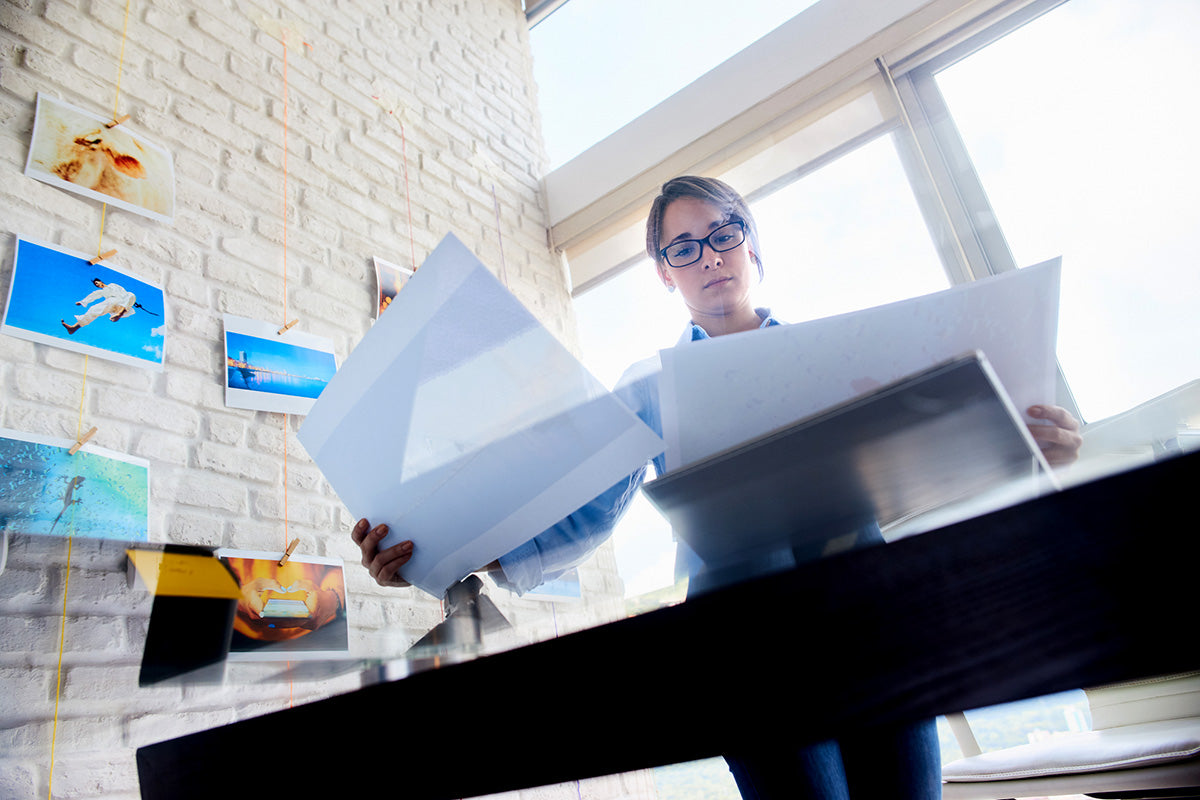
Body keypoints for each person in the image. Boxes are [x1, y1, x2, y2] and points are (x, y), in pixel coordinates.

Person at [351, 176, 1083, 798]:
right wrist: (441, 551)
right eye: (683, 247)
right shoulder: (649, 384)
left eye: (724, 232)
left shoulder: (845, 354)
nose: (709, 257)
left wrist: (1027, 439)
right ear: (665, 272)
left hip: (871, 620)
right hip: (747, 645)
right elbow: (578, 512)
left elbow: (930, 458)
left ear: (752, 241)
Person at [61, 277, 137, 334]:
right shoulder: (102, 292)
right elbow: (93, 295)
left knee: (131, 294)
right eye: (96, 285)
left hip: (122, 303)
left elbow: (123, 291)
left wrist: (129, 301)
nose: (97, 285)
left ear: (100, 281)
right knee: (94, 309)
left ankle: (120, 314)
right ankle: (74, 328)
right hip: (112, 304)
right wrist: (82, 302)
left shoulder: (112, 285)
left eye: (97, 283)